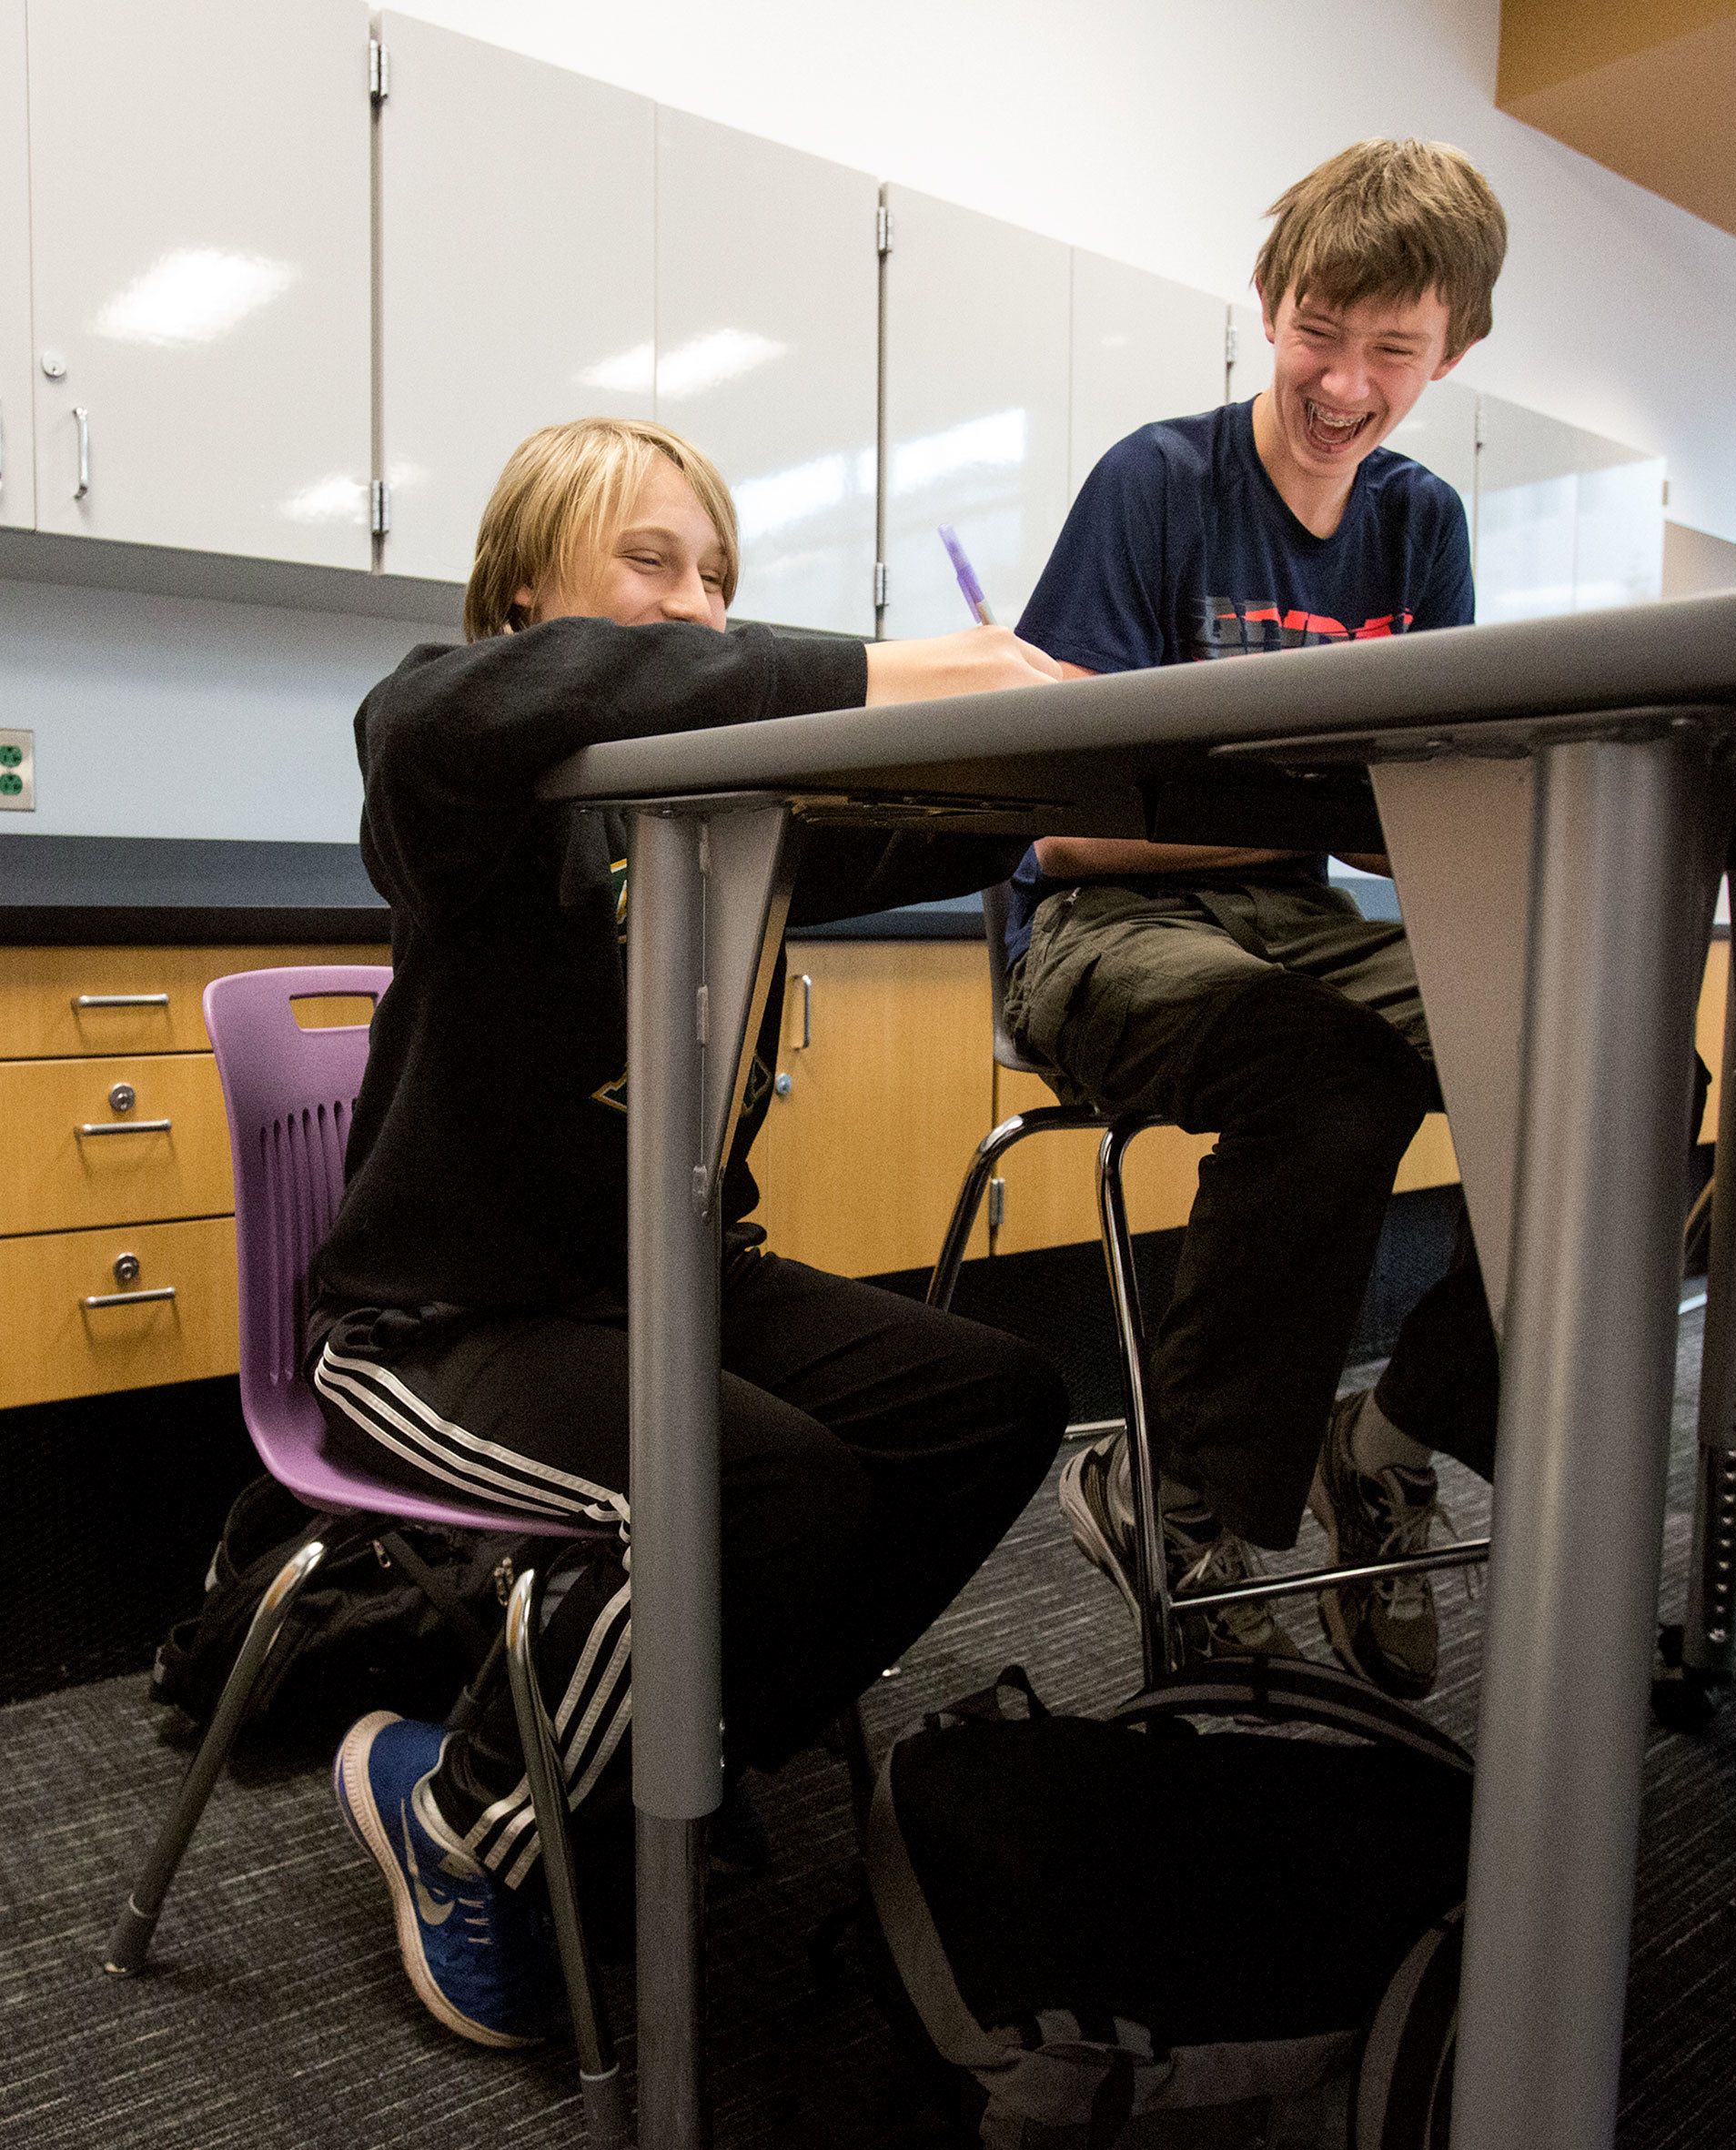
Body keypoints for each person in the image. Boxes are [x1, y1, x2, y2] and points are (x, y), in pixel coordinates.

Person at [311, 416, 1070, 2046]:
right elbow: (424, 719)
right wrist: (900, 667)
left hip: (667, 1287)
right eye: (649, 560)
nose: (700, 602)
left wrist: (1060, 756)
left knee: (995, 1399)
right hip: (436, 1323)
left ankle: (687, 1746)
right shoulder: (470, 781)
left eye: (718, 574)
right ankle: (469, 1816)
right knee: (762, 1482)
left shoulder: (729, 816)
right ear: (523, 600)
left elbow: (951, 811)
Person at [1003, 139, 1508, 1699]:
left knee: (1606, 1070)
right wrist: (1306, 806)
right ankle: (1188, 1510)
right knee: (1331, 1078)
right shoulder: (1159, 485)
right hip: (1094, 928)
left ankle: (1398, 1433)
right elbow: (1063, 819)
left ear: (1457, 352)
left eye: (1394, 351)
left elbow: (1434, 813)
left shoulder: (1421, 530)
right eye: (1316, 331)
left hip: (1293, 919)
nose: (1344, 382)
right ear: (1268, 305)